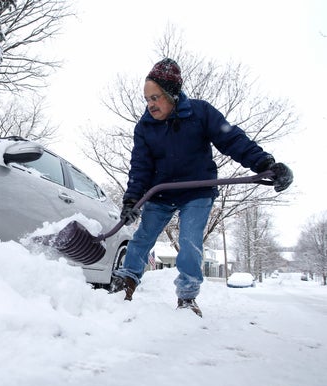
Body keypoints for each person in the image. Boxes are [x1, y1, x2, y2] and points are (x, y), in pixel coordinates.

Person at [109, 58, 293, 317]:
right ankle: (124, 284)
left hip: (197, 191)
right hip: (160, 191)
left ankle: (187, 297)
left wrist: (264, 163)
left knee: (190, 241)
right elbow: (140, 167)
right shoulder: (145, 128)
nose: (150, 104)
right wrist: (131, 201)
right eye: (147, 99)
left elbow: (232, 139)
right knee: (142, 238)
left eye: (155, 97)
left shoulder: (200, 113)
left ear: (172, 94)